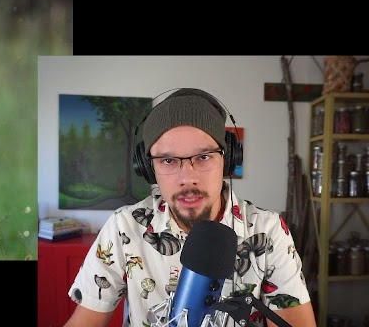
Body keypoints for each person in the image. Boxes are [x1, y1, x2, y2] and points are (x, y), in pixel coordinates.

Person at [63, 88, 316, 327]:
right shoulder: (124, 228)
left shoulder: (268, 231)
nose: (187, 178)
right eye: (168, 160)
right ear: (149, 168)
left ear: (228, 160)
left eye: (204, 156)